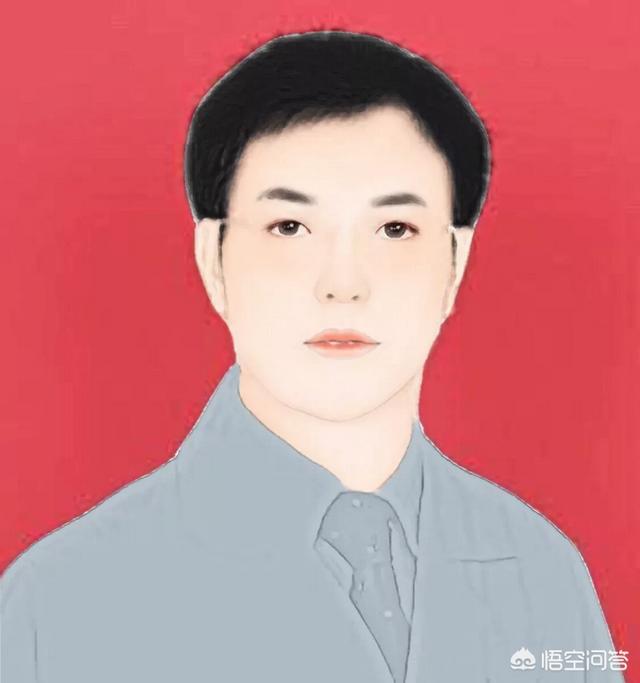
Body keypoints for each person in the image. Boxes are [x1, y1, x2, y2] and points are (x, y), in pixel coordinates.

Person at [1, 31, 625, 683]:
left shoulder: (546, 573)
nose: (343, 284)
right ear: (213, 259)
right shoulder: (58, 603)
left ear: (454, 263)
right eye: (290, 227)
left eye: (395, 229)